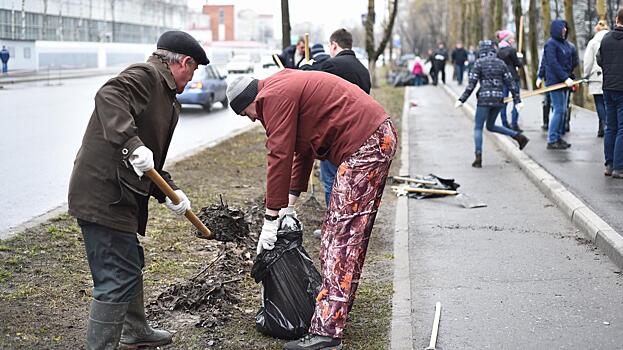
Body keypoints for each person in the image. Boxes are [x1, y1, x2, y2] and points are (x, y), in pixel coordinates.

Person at [225, 69, 396, 350]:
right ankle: (335, 313)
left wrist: (270, 217)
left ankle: (327, 333)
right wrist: (288, 207)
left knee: (339, 241)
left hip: (365, 144)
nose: (253, 119)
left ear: (250, 100)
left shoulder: (272, 97)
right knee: (345, 237)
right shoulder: (282, 87)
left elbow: (278, 153)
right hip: (375, 138)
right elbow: (300, 151)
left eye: (247, 113)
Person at [67, 31, 209, 349]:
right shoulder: (147, 75)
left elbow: (149, 162)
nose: (193, 76)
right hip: (103, 193)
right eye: (195, 69)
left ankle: (135, 330)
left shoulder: (164, 93)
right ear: (184, 62)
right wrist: (131, 145)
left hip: (121, 195)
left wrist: (171, 192)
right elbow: (108, 96)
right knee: (115, 276)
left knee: (129, 263)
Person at [300, 28, 372, 240]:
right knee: (351, 183)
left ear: (334, 45)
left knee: (331, 179)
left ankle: (335, 228)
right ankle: (351, 226)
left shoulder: (333, 65)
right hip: (360, 135)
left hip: (337, 137)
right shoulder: (362, 69)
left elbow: (309, 81)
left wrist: (305, 67)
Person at [455, 40, 529, 168]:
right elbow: (511, 83)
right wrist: (517, 100)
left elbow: (471, 85)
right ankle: (518, 136)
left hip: (484, 100)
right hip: (498, 100)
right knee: (490, 126)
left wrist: (462, 100)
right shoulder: (501, 63)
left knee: (478, 128)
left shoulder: (478, 63)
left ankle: (478, 157)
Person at [540, 19, 578, 150]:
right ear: (557, 29)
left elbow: (570, 61)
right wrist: (564, 77)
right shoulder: (551, 44)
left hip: (565, 82)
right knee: (558, 110)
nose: (565, 30)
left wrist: (570, 76)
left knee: (563, 111)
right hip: (555, 82)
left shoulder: (566, 45)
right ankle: (551, 139)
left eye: (566, 28)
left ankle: (558, 137)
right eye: (563, 28)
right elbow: (552, 63)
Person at [597, 9, 623, 178]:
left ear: (616, 19)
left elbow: (600, 60)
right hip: (622, 89)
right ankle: (619, 167)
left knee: (610, 127)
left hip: (607, 87)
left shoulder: (605, 38)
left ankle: (609, 164)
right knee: (622, 128)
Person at [584, 20, 610, 137]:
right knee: (607, 102)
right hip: (609, 76)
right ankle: (606, 126)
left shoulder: (593, 42)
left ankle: (603, 125)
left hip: (596, 76)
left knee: (599, 102)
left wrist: (586, 75)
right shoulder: (612, 39)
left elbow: (588, 61)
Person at [496, 30, 524, 131]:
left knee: (503, 101)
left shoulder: (497, 51)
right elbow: (518, 64)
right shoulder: (511, 50)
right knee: (516, 100)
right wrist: (520, 58)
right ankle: (514, 123)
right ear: (507, 39)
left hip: (502, 78)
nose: (513, 40)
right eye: (511, 38)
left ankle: (504, 124)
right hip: (513, 78)